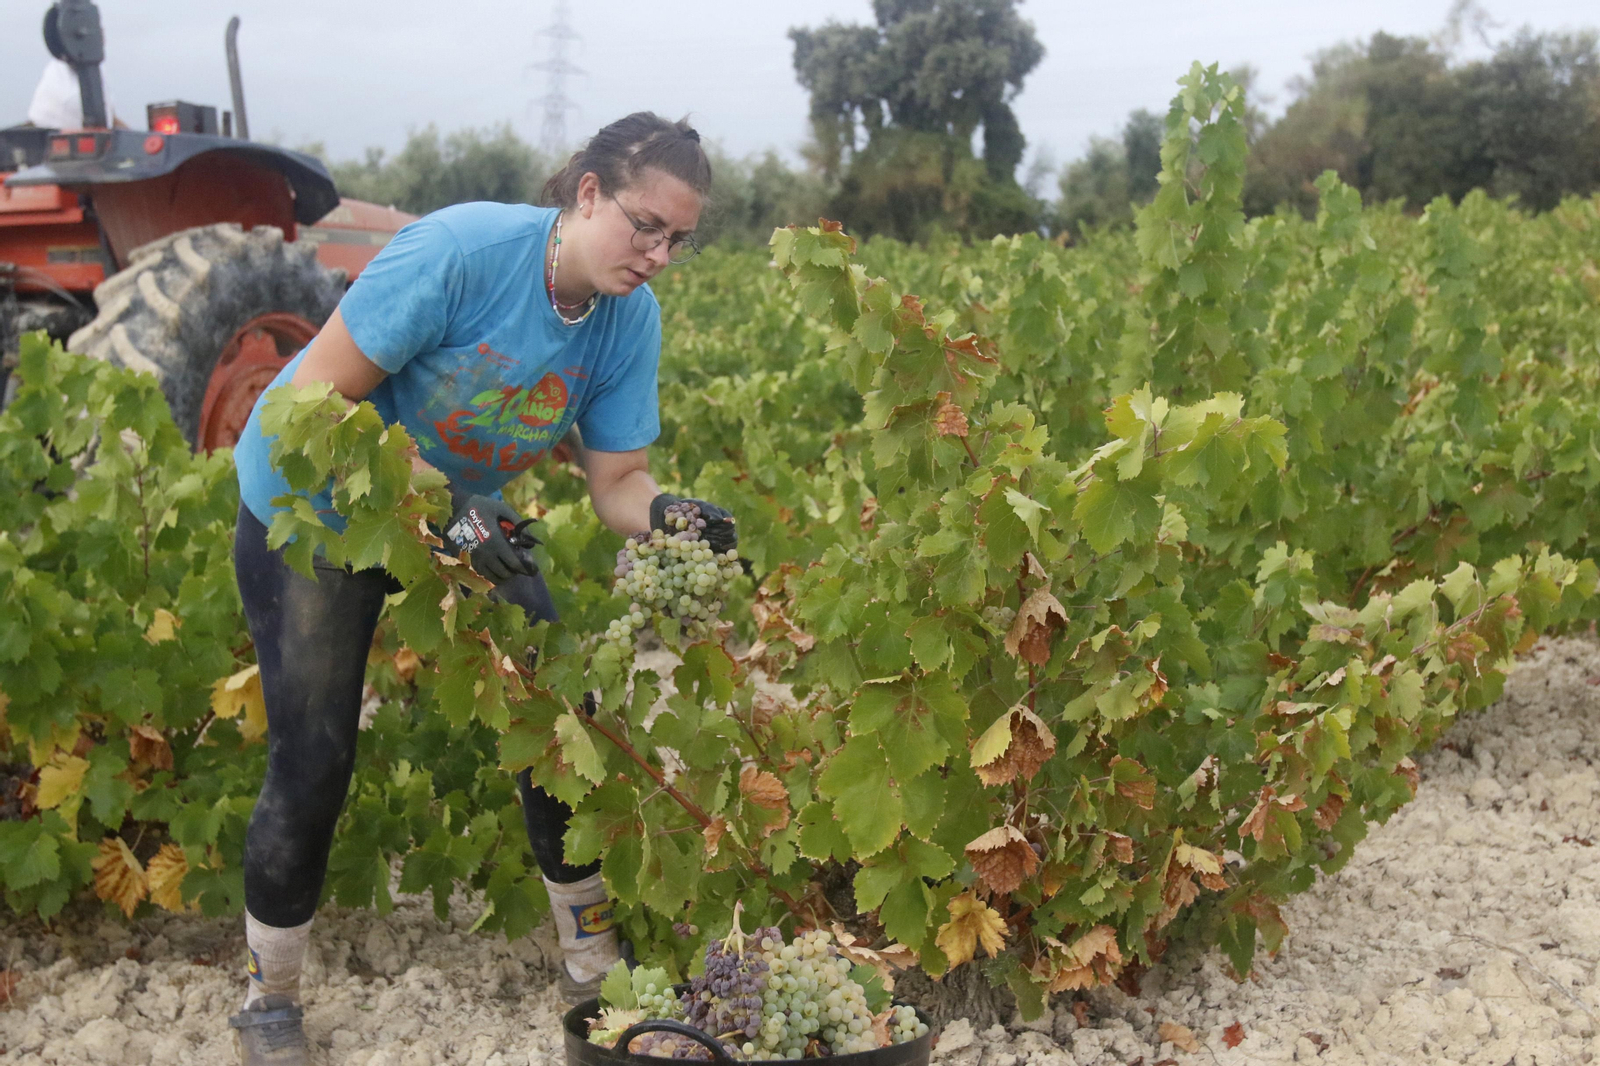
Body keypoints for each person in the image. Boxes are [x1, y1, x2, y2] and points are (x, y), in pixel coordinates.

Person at [225, 112, 737, 1066]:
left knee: (557, 715)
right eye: (645, 226)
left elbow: (618, 480)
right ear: (587, 193)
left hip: (455, 521)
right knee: (315, 756)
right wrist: (448, 502)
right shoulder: (461, 253)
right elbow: (312, 402)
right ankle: (270, 997)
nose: (660, 255)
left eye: (680, 240)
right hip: (316, 508)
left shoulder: (629, 319)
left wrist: (671, 514)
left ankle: (594, 966)